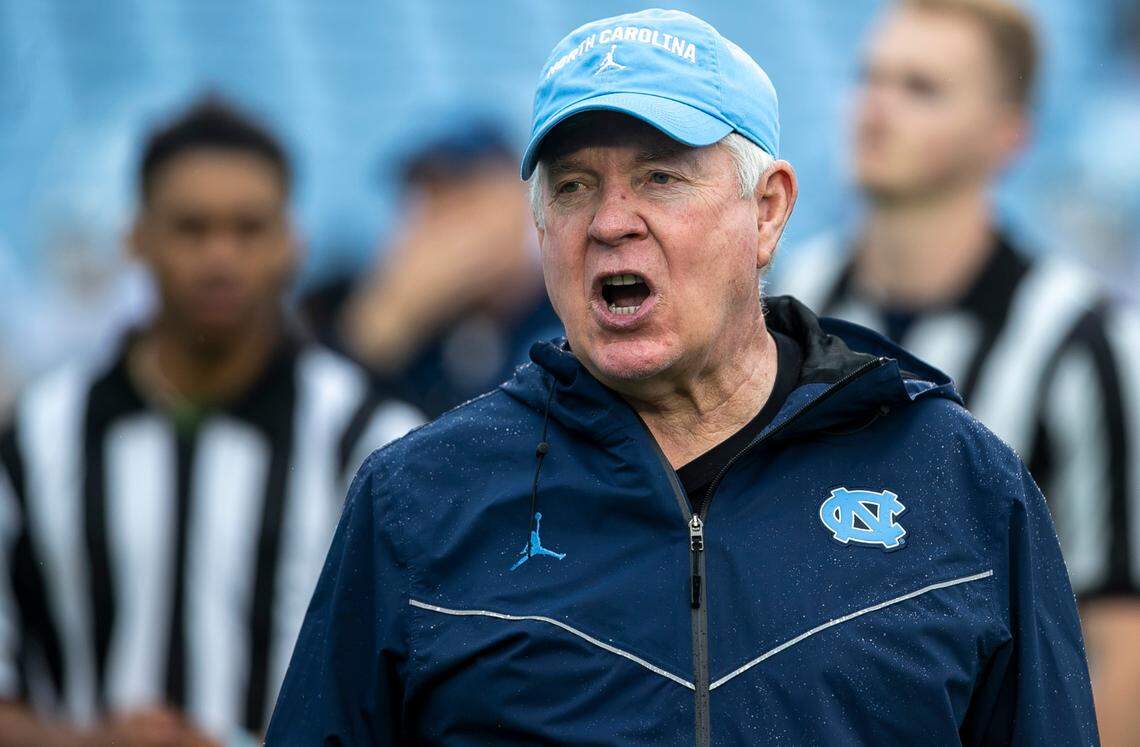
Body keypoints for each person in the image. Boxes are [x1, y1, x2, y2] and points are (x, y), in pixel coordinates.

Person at [268, 9, 1096, 745]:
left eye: (660, 176)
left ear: (767, 210)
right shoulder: (418, 500)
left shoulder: (960, 483)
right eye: (573, 185)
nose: (610, 221)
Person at [0, 98, 422, 745]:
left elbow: (419, 700)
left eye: (248, 228)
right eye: (191, 228)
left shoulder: (379, 446)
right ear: (135, 238)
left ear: (292, 242)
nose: (220, 257)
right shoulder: (36, 439)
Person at [774, 1, 1140, 740]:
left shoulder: (1083, 342)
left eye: (922, 88)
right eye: (869, 77)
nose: (876, 107)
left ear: (1008, 135)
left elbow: (1117, 638)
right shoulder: (788, 300)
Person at [301, 121, 563, 418]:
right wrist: (385, 325)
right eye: (426, 199)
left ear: (524, 196)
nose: (443, 223)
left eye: (463, 195)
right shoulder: (382, 317)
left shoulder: (570, 305)